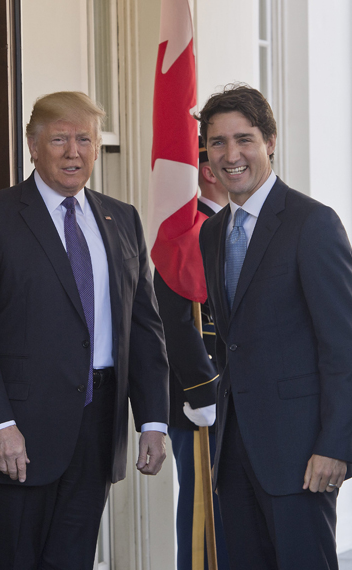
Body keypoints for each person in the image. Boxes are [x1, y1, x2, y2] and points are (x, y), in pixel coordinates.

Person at [0, 91, 170, 569]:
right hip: (14, 437)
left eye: (84, 139)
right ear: (32, 144)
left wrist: (152, 420)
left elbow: (143, 327)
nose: (74, 151)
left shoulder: (122, 219)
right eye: (60, 139)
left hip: (96, 429)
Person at [195, 84, 352, 569]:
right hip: (234, 454)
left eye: (244, 139)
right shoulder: (212, 232)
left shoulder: (312, 224)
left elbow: (345, 346)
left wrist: (335, 446)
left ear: (270, 140)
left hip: (301, 457)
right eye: (218, 142)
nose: (231, 155)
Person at [153, 137, 230, 570]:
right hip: (202, 398)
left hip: (240, 395)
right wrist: (205, 391)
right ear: (202, 169)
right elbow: (176, 319)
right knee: (206, 520)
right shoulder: (189, 229)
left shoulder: (229, 223)